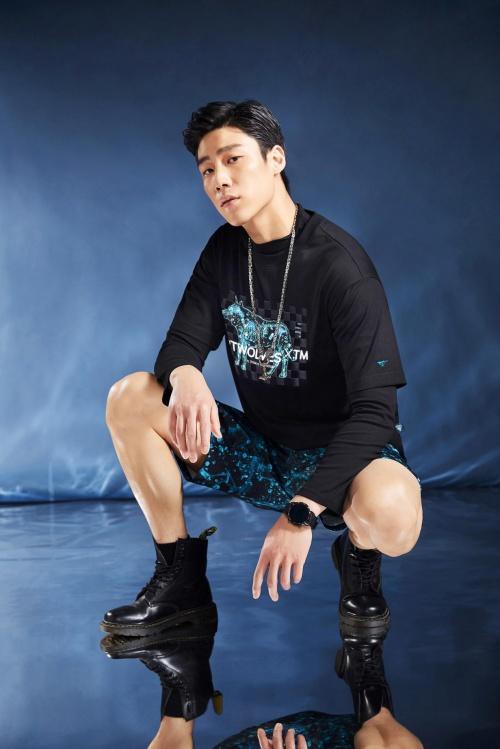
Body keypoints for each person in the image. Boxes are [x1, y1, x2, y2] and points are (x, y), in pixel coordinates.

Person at [100, 99, 423, 734]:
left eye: (233, 160)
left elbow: (375, 412)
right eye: (206, 169)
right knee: (131, 396)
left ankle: (359, 562)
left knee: (394, 514)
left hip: (344, 460)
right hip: (265, 451)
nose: (219, 179)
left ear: (276, 159)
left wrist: (301, 513)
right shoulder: (225, 251)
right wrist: (187, 373)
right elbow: (179, 344)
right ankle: (179, 580)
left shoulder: (339, 264)